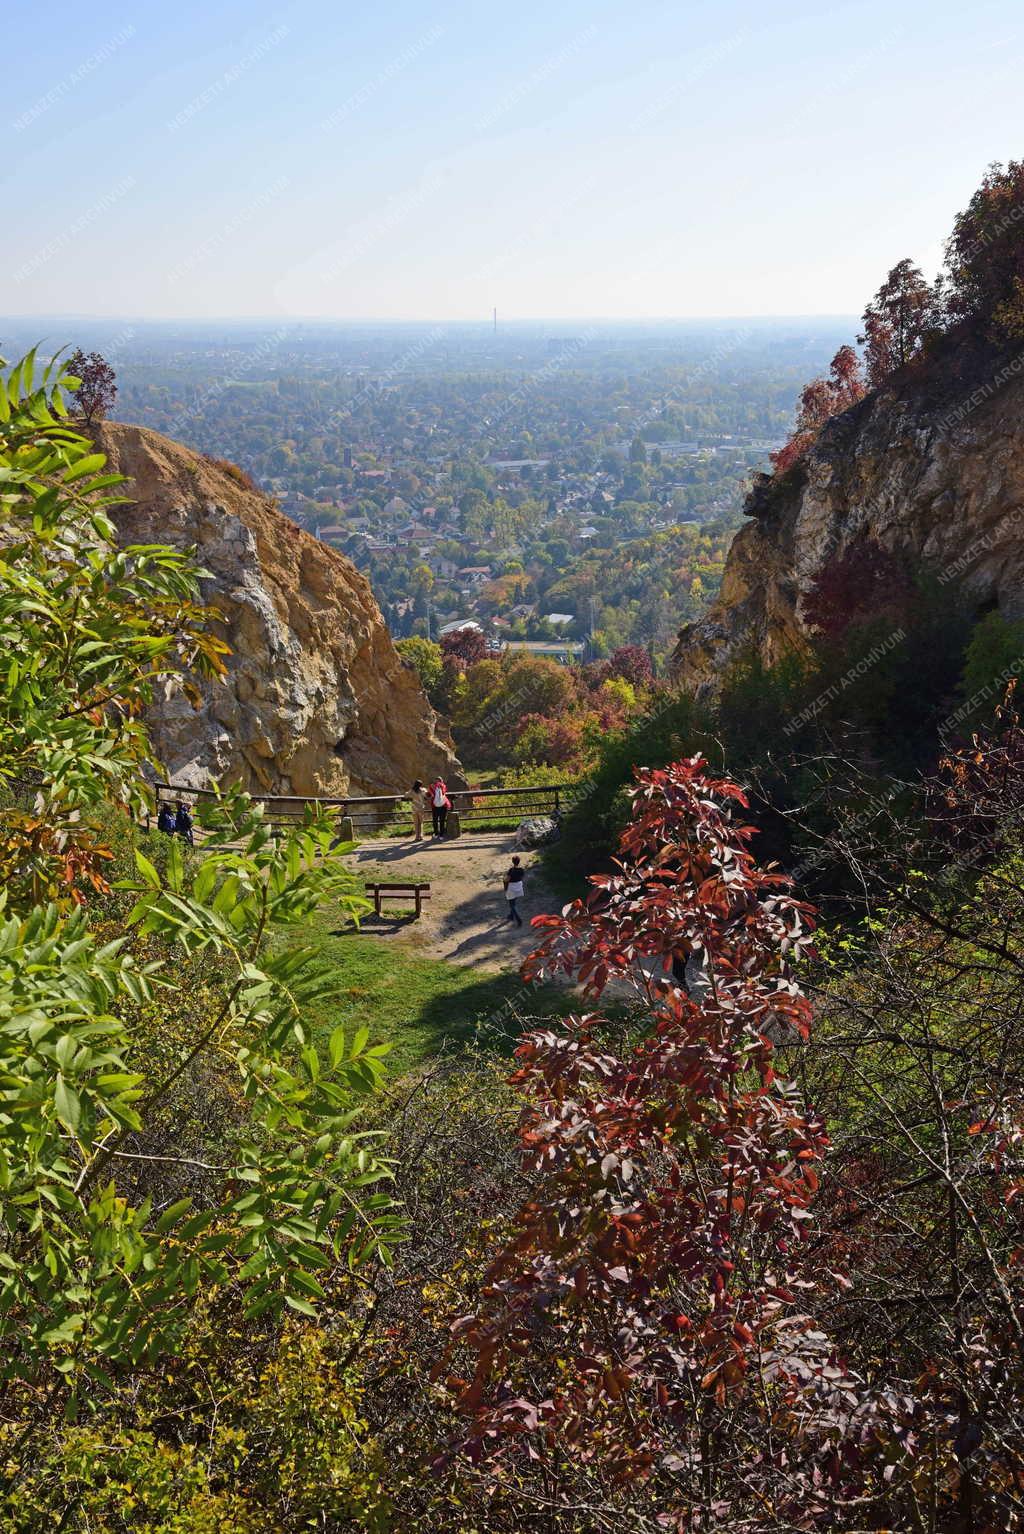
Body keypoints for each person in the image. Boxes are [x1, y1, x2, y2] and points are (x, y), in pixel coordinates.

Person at [503, 854, 525, 928]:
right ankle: (511, 916)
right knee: (514, 902)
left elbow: (507, 879)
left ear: (513, 862)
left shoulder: (511, 870)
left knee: (512, 905)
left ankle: (519, 920)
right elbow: (521, 877)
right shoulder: (521, 869)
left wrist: (504, 879)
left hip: (512, 888)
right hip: (519, 887)